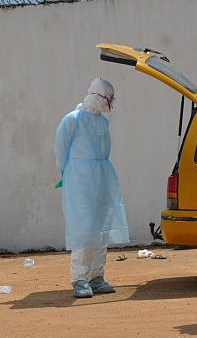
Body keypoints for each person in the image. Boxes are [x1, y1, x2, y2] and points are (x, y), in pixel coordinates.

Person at [54, 77, 130, 298]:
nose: (111, 103)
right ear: (99, 96)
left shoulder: (102, 122)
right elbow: (61, 148)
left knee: (101, 227)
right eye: (109, 98)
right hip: (79, 179)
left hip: (101, 178)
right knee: (83, 228)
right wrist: (63, 172)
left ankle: (97, 276)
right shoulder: (72, 119)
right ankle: (79, 278)